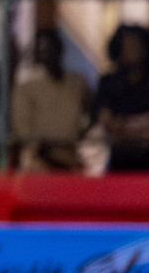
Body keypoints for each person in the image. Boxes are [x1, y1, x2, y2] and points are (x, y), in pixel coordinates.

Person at [95, 24, 149, 172]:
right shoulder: (108, 82)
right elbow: (107, 123)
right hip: (122, 163)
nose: (133, 50)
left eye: (137, 44)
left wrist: (123, 127)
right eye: (127, 45)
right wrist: (145, 127)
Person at [11, 27, 90, 172]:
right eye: (43, 51)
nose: (48, 55)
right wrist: (43, 150)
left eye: (52, 49)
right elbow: (22, 127)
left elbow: (89, 115)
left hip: (70, 160)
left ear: (60, 49)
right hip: (38, 162)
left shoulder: (77, 82)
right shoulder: (26, 83)